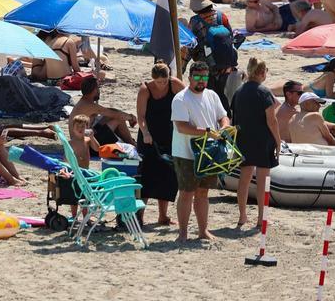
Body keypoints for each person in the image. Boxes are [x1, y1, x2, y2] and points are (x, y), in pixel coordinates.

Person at [170, 61, 230, 242]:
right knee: (186, 192)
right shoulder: (181, 98)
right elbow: (181, 127)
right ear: (189, 78)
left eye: (205, 77)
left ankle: (203, 230)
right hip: (186, 153)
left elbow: (223, 116)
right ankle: (183, 233)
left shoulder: (212, 95)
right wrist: (206, 131)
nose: (201, 81)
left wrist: (225, 127)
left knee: (203, 193)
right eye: (197, 77)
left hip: (209, 152)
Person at [231, 58, 280, 229]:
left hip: (243, 138)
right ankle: (261, 217)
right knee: (263, 181)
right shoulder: (263, 92)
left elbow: (234, 117)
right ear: (261, 72)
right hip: (262, 139)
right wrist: (278, 141)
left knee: (243, 180)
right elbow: (272, 121)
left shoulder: (239, 91)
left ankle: (242, 216)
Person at [137, 61, 184, 226]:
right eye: (159, 82)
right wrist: (146, 133)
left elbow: (188, 99)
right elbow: (141, 117)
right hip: (148, 135)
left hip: (170, 134)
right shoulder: (145, 89)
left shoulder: (174, 84)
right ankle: (139, 215)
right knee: (146, 176)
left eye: (164, 81)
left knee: (167, 175)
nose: (162, 85)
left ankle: (163, 216)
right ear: (153, 79)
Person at [71, 76, 137, 146]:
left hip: (82, 137)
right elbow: (117, 115)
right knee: (119, 119)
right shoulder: (89, 105)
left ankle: (129, 141)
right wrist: (131, 118)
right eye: (98, 88)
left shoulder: (84, 102)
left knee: (111, 114)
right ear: (94, 90)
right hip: (86, 145)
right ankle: (132, 143)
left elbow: (111, 111)